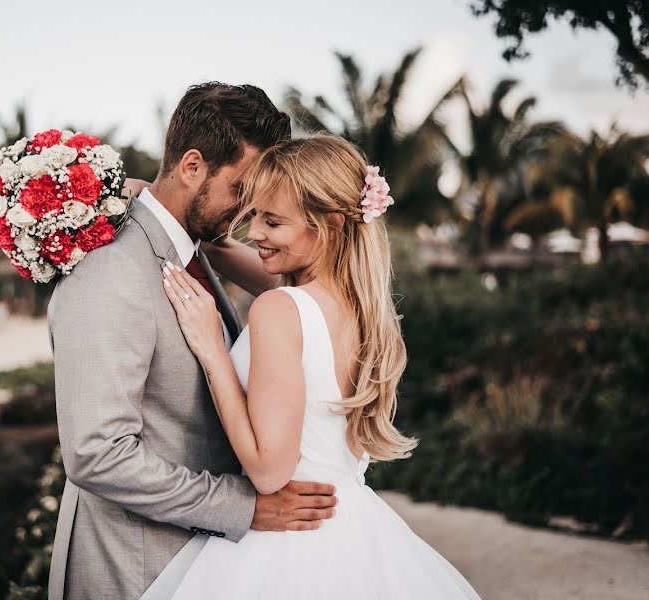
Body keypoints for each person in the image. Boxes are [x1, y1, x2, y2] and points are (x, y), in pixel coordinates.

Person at [145, 135, 482, 599]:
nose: (254, 233)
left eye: (273, 220)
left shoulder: (280, 309)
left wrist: (214, 354)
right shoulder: (360, 304)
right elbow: (244, 259)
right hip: (352, 525)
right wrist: (165, 208)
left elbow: (268, 472)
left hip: (290, 539)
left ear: (330, 226)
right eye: (254, 215)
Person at [47, 83, 339, 600]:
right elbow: (97, 453)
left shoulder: (193, 248)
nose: (250, 213)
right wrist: (243, 507)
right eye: (241, 189)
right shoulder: (113, 268)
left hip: (203, 565)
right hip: (136, 569)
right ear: (192, 167)